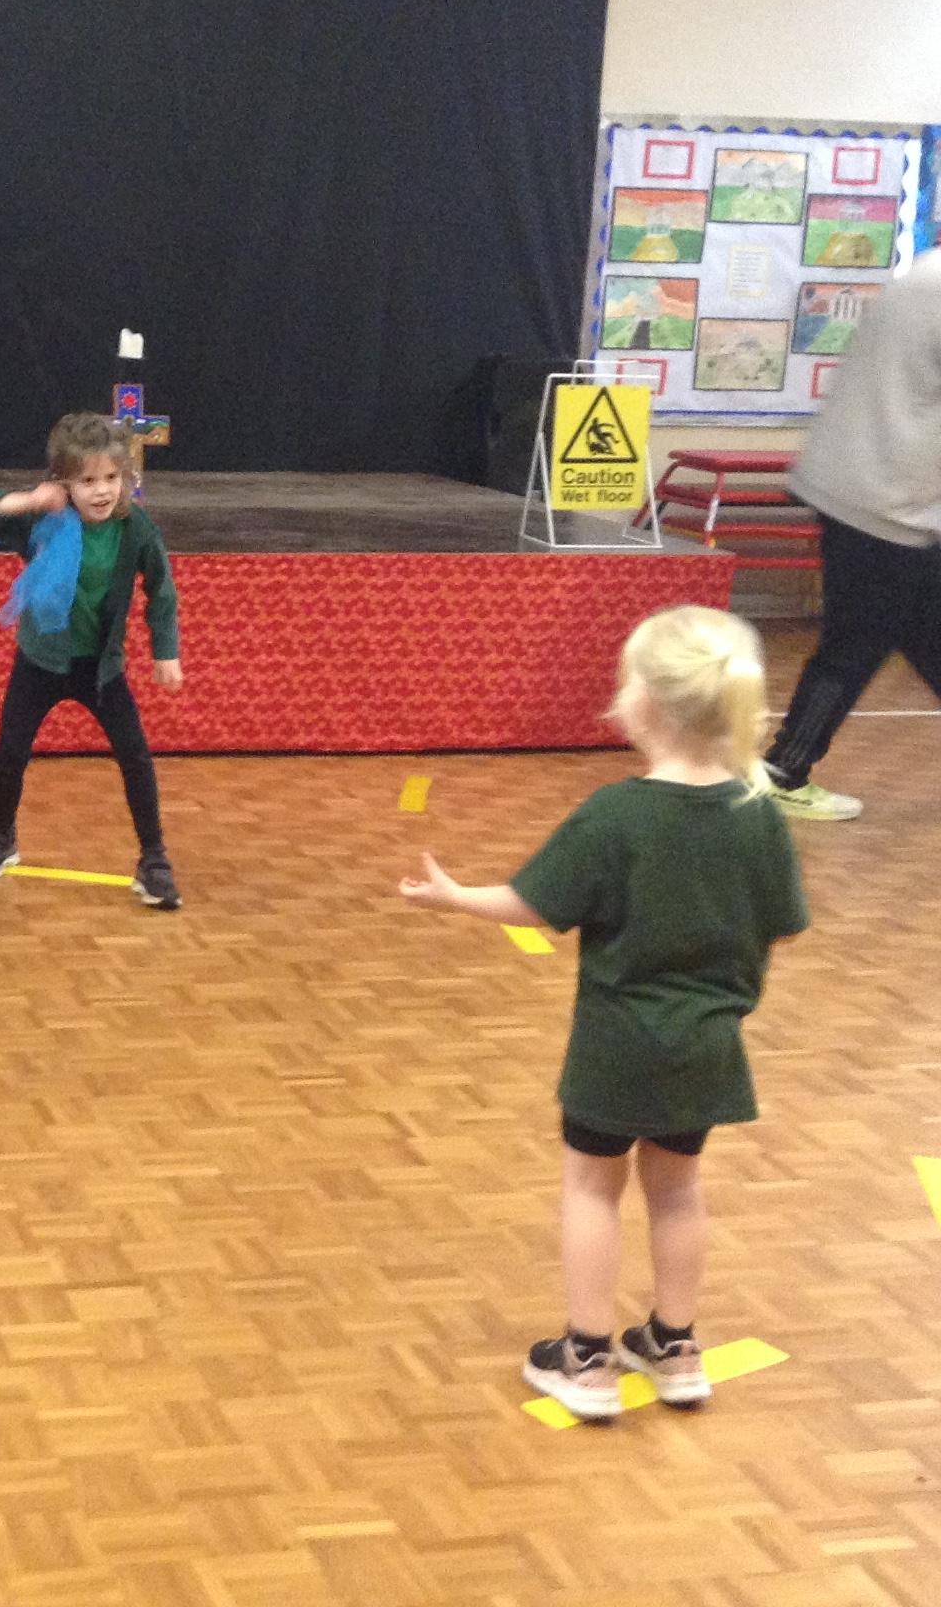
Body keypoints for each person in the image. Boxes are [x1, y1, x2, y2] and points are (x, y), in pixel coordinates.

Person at [399, 606, 808, 1421]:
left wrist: (455, 898)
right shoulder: (759, 813)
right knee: (679, 1190)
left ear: (644, 704)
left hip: (615, 1045)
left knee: (592, 1187)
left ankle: (586, 1360)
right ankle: (676, 1347)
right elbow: (783, 927)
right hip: (708, 1046)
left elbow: (534, 905)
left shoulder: (614, 815)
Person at [0, 412, 184, 909]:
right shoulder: (44, 522)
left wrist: (165, 651)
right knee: (11, 750)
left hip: (100, 670)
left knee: (135, 756)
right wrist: (31, 500)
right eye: (87, 481)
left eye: (111, 477)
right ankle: (1, 838)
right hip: (40, 661)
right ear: (63, 483)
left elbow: (162, 592)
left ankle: (154, 858)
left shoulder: (136, 529)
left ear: (126, 477)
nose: (101, 491)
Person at [764, 245, 941, 819]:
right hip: (889, 503)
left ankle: (784, 769)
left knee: (907, 635)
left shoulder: (926, 271)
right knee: (855, 644)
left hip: (864, 489)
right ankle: (784, 771)